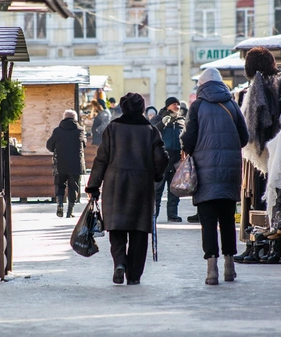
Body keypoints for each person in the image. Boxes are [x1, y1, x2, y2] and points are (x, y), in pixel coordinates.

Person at [86, 92, 168, 285]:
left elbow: (101, 159)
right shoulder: (150, 130)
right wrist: (156, 175)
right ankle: (134, 276)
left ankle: (120, 263)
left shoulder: (112, 129)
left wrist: (93, 185)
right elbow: (162, 158)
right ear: (141, 108)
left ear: (122, 108)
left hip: (115, 186)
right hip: (142, 186)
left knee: (117, 229)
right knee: (139, 233)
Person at [181, 68, 249, 285]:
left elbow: (189, 141)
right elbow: (244, 138)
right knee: (228, 221)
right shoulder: (232, 104)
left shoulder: (197, 106)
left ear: (201, 85)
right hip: (229, 172)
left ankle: (212, 271)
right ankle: (230, 268)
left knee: (208, 222)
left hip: (205, 172)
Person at [46, 109, 86, 218]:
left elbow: (49, 146)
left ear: (64, 118)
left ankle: (59, 204)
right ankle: (70, 211)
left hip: (60, 163)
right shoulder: (80, 130)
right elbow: (84, 145)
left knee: (59, 184)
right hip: (75, 164)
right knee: (74, 187)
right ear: (75, 118)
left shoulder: (57, 131)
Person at [151, 96, 186, 222]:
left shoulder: (181, 120)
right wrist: (162, 124)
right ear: (167, 106)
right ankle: (154, 214)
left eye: (177, 104)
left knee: (174, 189)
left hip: (177, 160)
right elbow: (151, 133)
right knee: (157, 189)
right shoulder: (158, 118)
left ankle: (172, 214)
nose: (176, 106)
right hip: (161, 160)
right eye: (173, 104)